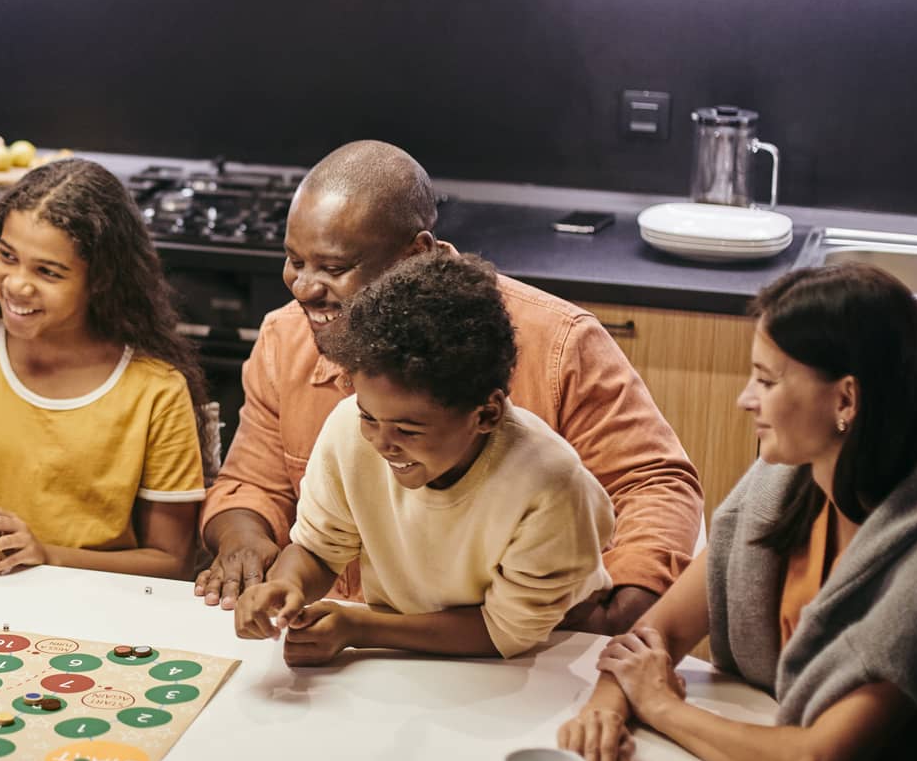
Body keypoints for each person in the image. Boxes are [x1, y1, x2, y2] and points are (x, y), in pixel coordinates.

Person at [557, 264, 917, 761]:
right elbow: (657, 631)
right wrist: (607, 702)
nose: (746, 399)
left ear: (846, 401)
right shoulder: (792, 483)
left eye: (767, 381)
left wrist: (659, 706)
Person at [198, 140, 702, 634]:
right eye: (295, 261)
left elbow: (654, 484)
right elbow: (254, 484)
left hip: (513, 644)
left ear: (417, 253)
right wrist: (244, 539)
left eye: (334, 268)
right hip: (345, 637)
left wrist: (627, 603)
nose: (305, 288)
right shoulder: (284, 338)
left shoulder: (558, 342)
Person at [233, 253, 613, 662]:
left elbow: (504, 631)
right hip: (408, 650)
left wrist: (358, 627)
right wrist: (287, 586)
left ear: (486, 414)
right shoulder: (348, 431)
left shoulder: (549, 484)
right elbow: (317, 551)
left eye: (408, 430)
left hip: (545, 658)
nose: (381, 442)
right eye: (369, 417)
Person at [0, 158, 211, 580]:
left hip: (104, 613)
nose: (17, 284)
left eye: (48, 272)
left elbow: (171, 562)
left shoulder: (156, 390)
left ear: (101, 281)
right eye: (7, 256)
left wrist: (45, 555)